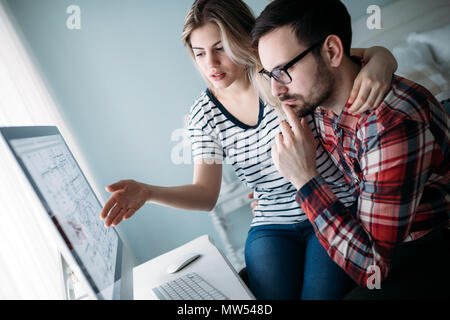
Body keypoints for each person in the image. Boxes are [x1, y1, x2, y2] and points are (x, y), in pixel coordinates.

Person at [100, 0, 398, 299]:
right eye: (199, 53)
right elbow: (205, 195)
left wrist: (382, 58)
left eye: (220, 48)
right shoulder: (204, 116)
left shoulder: (281, 74)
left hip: (331, 207)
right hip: (272, 224)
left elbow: (340, 58)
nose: (211, 64)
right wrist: (148, 192)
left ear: (241, 39)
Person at [252, 0, 450, 299]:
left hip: (426, 244)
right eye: (271, 75)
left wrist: (304, 181)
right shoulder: (315, 102)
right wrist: (379, 54)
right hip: (369, 227)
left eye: (283, 71)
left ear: (332, 51)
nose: (277, 90)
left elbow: (373, 268)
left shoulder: (392, 125)